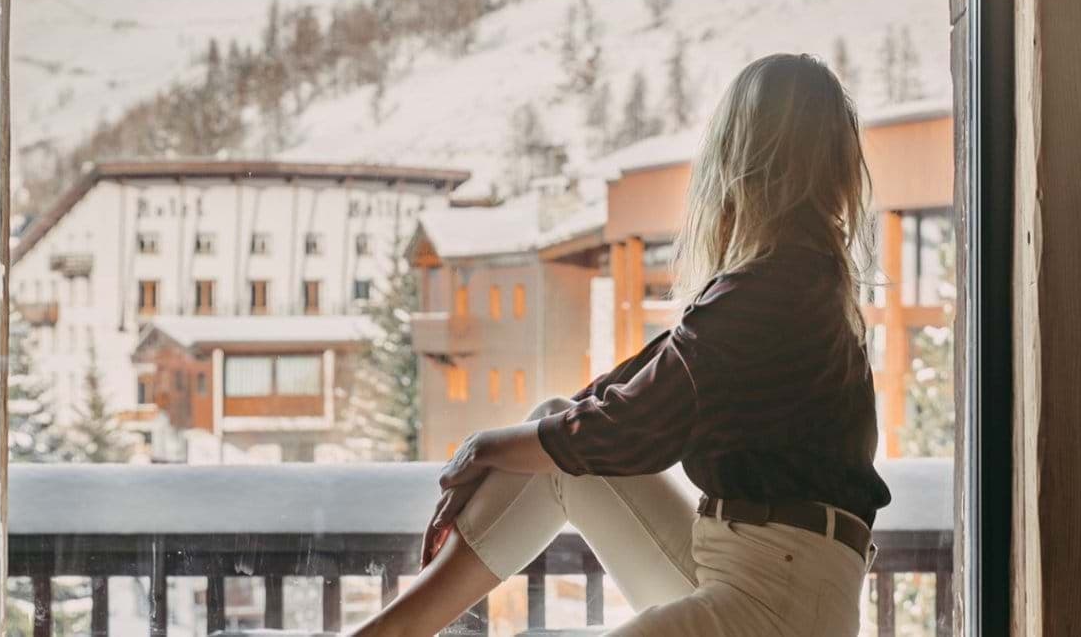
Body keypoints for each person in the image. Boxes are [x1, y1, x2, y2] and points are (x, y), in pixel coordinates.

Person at [351, 53, 892, 637]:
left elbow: (626, 429)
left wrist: (484, 448)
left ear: (742, 161)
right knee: (556, 431)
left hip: (776, 603)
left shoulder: (771, 293)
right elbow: (623, 394)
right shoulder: (790, 285)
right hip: (747, 575)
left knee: (561, 442)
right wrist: (500, 448)